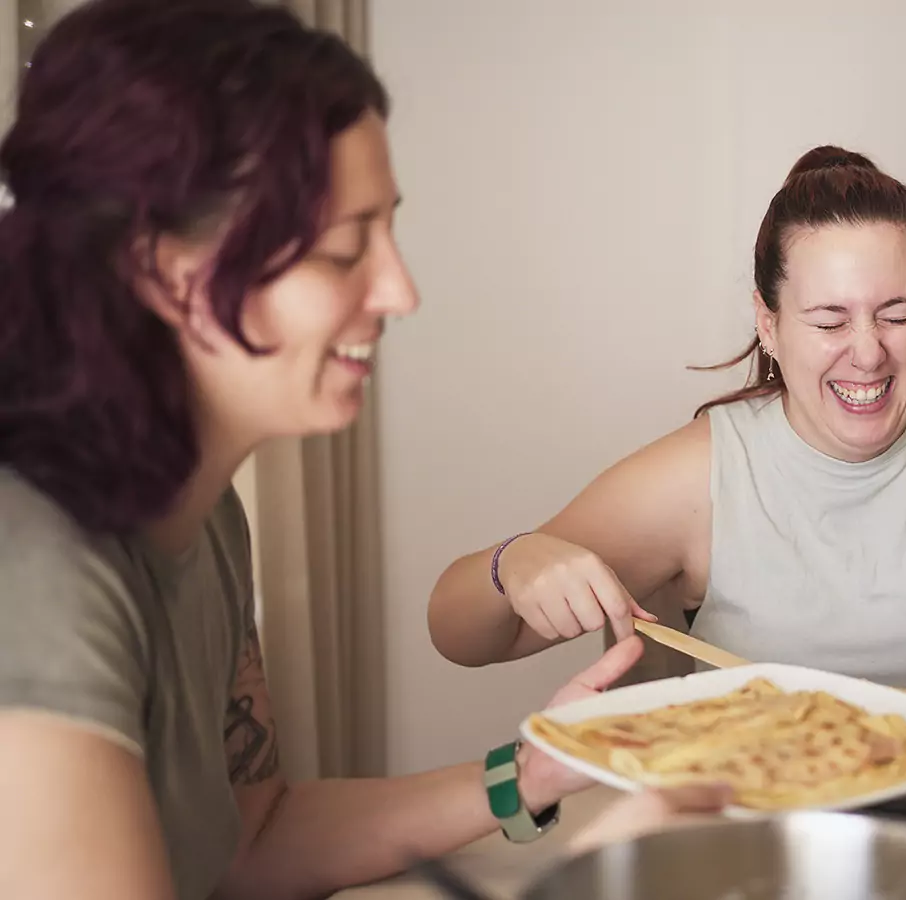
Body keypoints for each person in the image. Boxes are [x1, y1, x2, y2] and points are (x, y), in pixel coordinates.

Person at [0, 3, 723, 899]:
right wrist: (591, 883)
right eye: (345, 249)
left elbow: (254, 837)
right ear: (160, 270)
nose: (400, 290)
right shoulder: (32, 571)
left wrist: (533, 772)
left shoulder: (204, 513)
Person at [429, 145, 906, 725]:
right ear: (769, 322)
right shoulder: (700, 475)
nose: (868, 352)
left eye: (897, 314)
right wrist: (511, 562)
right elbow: (459, 637)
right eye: (829, 320)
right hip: (751, 844)